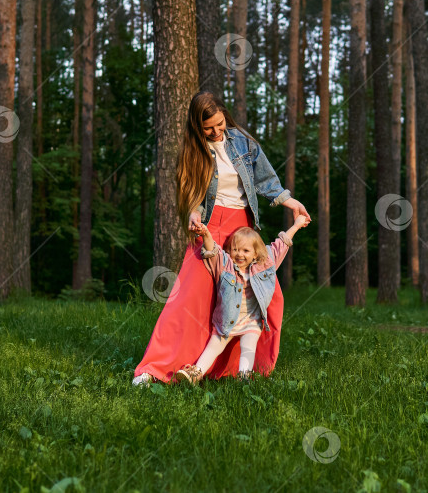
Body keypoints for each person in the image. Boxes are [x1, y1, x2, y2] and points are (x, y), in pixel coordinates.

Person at [132, 91, 311, 386]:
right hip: (210, 227)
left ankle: (241, 368)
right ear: (197, 127)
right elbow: (194, 193)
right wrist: (193, 213)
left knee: (263, 293)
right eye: (209, 128)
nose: (217, 132)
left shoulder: (242, 141)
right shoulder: (193, 151)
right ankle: (155, 368)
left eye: (220, 124)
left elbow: (265, 180)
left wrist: (291, 202)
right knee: (190, 299)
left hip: (242, 229)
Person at [175, 215, 309, 384]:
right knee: (213, 347)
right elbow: (212, 251)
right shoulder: (226, 266)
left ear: (255, 254)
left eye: (245, 251)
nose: (239, 254)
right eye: (235, 249)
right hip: (226, 322)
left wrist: (296, 225)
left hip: (252, 322)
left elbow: (282, 244)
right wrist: (205, 233)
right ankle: (196, 373)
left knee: (248, 348)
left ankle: (244, 378)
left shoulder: (265, 264)